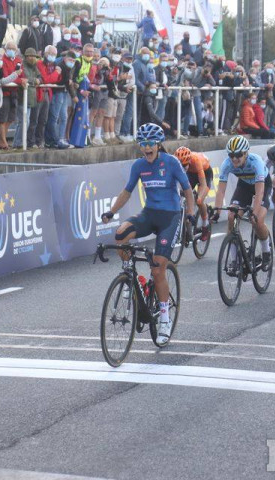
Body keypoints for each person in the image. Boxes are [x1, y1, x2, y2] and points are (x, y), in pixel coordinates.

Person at [101, 123, 194, 346]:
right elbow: (127, 191)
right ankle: (131, 277)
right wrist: (112, 212)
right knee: (121, 234)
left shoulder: (171, 162)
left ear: (159, 144)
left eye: (150, 144)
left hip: (170, 217)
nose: (146, 148)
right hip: (150, 213)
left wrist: (190, 214)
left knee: (158, 266)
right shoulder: (139, 165)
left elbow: (188, 190)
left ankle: (164, 318)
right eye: (142, 144)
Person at [213, 135, 273, 271]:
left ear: (246, 153)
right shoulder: (227, 164)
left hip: (262, 186)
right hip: (244, 186)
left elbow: (259, 193)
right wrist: (216, 211)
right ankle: (235, 260)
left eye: (238, 155)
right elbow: (220, 191)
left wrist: (255, 213)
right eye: (231, 155)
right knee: (231, 217)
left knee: (257, 221)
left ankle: (266, 251)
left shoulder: (256, 162)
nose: (234, 158)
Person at [175, 146, 212, 241]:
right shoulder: (177, 161)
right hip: (191, 173)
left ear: (189, 161)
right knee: (185, 194)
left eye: (184, 165)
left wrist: (199, 196)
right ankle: (187, 227)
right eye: (180, 165)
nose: (182, 167)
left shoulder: (195, 161)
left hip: (205, 172)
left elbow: (203, 185)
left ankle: (205, 225)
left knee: (199, 201)